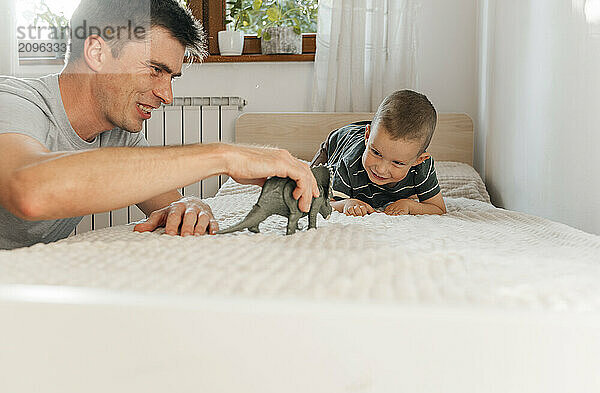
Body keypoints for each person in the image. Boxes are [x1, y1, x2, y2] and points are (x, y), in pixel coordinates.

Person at [0, 0, 318, 250]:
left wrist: (191, 204)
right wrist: (226, 156)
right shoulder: (14, 102)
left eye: (172, 77)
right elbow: (31, 191)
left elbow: (171, 201)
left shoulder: (117, 133)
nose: (166, 95)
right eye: (155, 70)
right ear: (97, 52)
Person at [310, 90, 446, 217]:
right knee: (310, 184)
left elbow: (438, 208)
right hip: (337, 143)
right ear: (367, 136)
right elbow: (324, 203)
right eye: (376, 152)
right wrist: (346, 203)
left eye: (397, 163)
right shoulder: (350, 161)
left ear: (418, 160)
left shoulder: (422, 168)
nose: (380, 169)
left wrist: (410, 205)